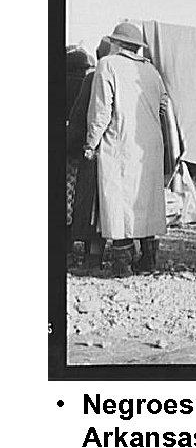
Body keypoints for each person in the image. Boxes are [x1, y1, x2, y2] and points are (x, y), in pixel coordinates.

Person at [84, 23, 168, 277]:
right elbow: (164, 104)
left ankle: (123, 263)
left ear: (116, 43)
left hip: (119, 140)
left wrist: (91, 142)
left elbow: (101, 109)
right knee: (146, 198)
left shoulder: (107, 64)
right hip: (149, 143)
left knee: (118, 200)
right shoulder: (151, 71)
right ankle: (148, 259)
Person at [67, 38, 112, 273]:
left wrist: (79, 145)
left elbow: (79, 115)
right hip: (118, 152)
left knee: (86, 204)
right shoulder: (130, 77)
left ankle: (89, 257)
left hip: (90, 151)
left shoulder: (93, 78)